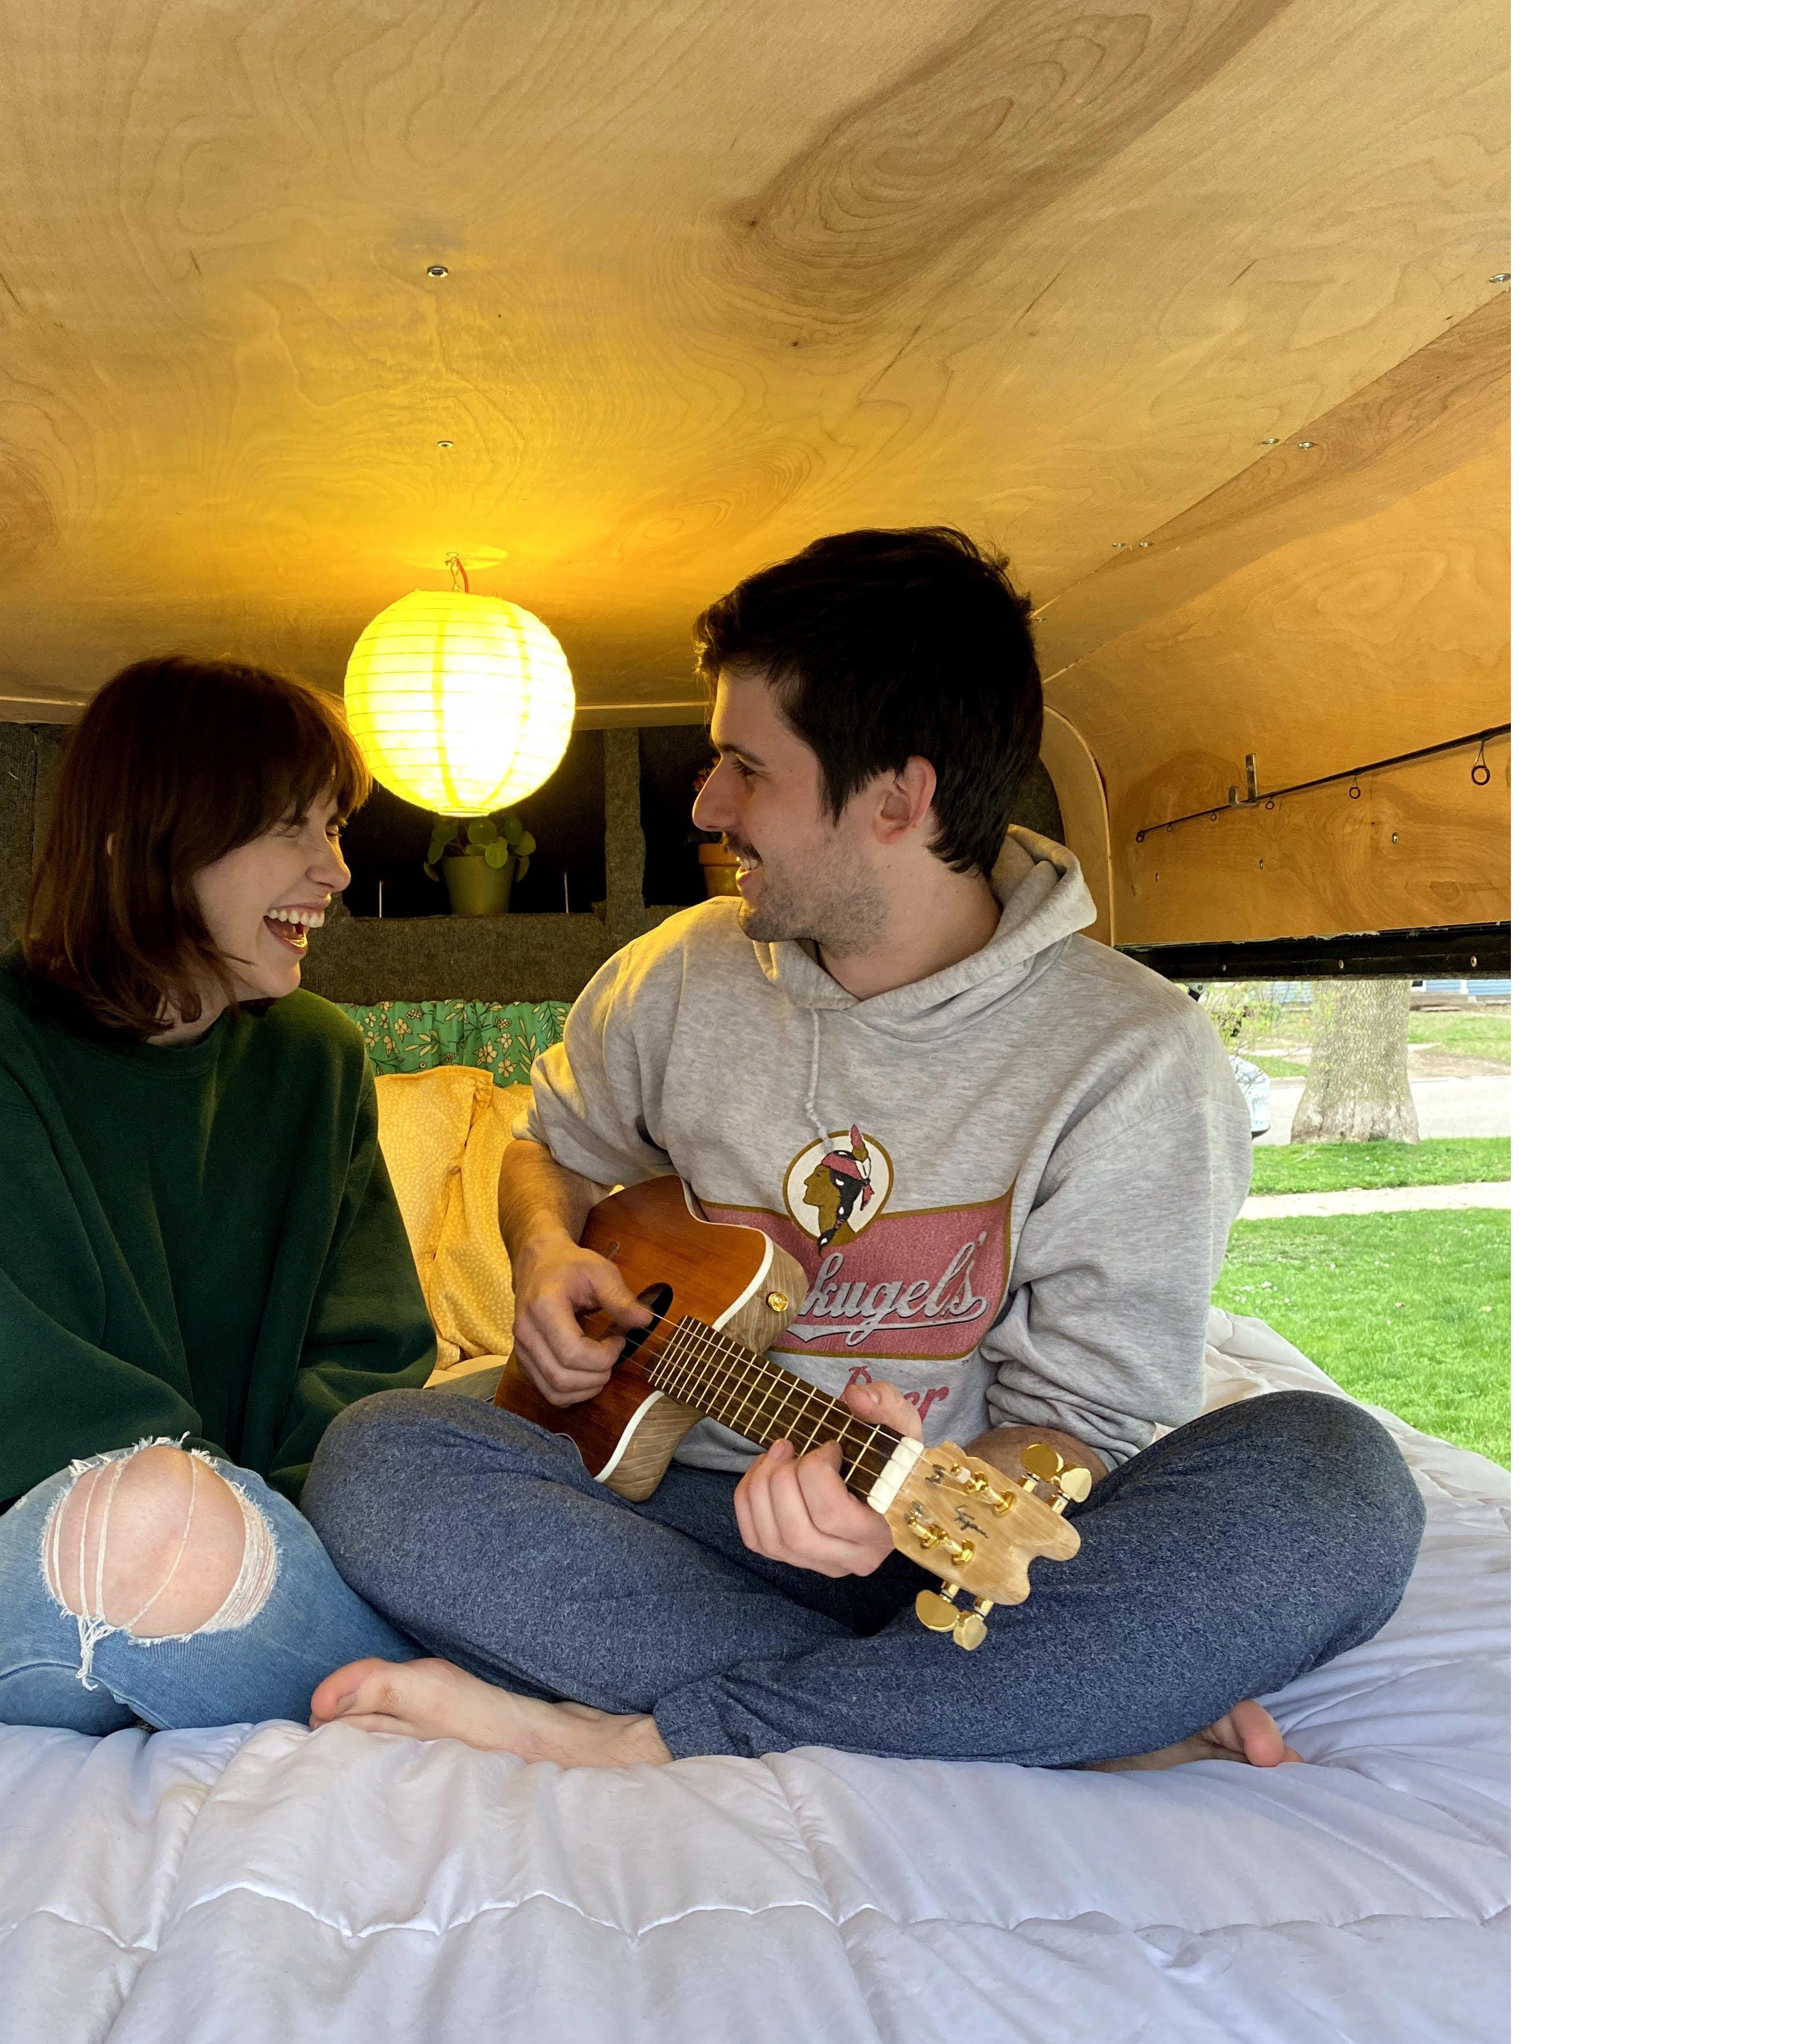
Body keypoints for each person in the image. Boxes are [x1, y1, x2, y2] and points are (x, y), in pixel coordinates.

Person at [301, 529, 1425, 1770]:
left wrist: (892, 1505)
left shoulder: (1135, 1059)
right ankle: (1040, 1712)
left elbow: (1081, 1439)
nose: (706, 805)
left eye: (744, 767)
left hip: (959, 1562)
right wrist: (544, 1250)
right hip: (673, 1524)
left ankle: (657, 1737)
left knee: (1341, 1483)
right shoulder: (678, 977)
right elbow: (549, 1150)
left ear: (899, 798)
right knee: (379, 1463)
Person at [0, 655, 438, 1733]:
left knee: (476, 1454)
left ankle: (417, 1685)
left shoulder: (317, 1059)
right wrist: (218, 1522)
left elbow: (371, 1351)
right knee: (148, 1525)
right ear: (156, 841)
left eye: (337, 828)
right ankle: (477, 1696)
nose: (336, 871)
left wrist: (281, 1526)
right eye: (293, 828)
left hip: (272, 1526)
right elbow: (1, 1415)